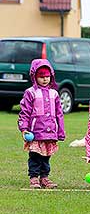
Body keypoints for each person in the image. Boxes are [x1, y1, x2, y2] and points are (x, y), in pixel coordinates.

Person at [18, 59, 66, 189]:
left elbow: (59, 114)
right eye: (41, 77)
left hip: (50, 132)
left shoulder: (54, 93)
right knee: (35, 156)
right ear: (34, 76)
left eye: (47, 77)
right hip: (35, 132)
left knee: (46, 157)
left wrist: (60, 131)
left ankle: (44, 178)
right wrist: (24, 128)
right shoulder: (30, 92)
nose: (45, 79)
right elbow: (25, 112)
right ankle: (34, 178)